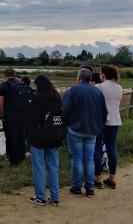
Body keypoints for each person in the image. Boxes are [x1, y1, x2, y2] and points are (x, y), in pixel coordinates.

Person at [63, 68, 107, 198]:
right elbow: (104, 112)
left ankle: (76, 187)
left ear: (78, 78)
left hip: (75, 129)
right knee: (89, 159)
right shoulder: (97, 92)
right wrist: (98, 126)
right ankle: (90, 188)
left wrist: (67, 124)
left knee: (76, 158)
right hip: (92, 130)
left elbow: (65, 110)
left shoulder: (73, 90)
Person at [25, 75, 65, 206]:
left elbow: (31, 118)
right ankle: (55, 197)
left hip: (38, 137)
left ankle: (40, 197)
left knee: (39, 167)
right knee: (53, 167)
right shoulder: (57, 98)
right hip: (54, 137)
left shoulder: (37, 99)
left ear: (38, 86)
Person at [93, 65, 123, 189]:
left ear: (103, 75)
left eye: (100, 73)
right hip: (115, 121)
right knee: (111, 149)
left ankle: (97, 178)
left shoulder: (99, 87)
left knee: (98, 148)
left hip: (101, 121)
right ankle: (112, 178)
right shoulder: (119, 87)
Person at [0, 68, 33, 165]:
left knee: (11, 138)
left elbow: (0, 104)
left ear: (5, 75)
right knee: (20, 137)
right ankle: (21, 156)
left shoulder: (4, 86)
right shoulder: (21, 85)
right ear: (14, 74)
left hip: (10, 117)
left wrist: (1, 117)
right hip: (22, 116)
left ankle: (14, 160)